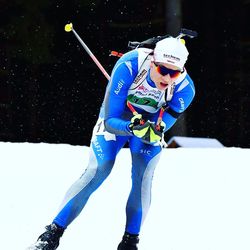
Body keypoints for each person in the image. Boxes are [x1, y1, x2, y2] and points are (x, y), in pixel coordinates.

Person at [27, 35, 195, 250]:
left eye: (175, 72)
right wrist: (131, 127)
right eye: (163, 70)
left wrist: (153, 131)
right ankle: (51, 235)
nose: (169, 78)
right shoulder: (129, 65)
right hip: (119, 119)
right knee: (99, 169)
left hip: (147, 122)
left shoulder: (185, 89)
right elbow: (110, 120)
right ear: (153, 61)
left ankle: (129, 242)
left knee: (143, 175)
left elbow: (163, 124)